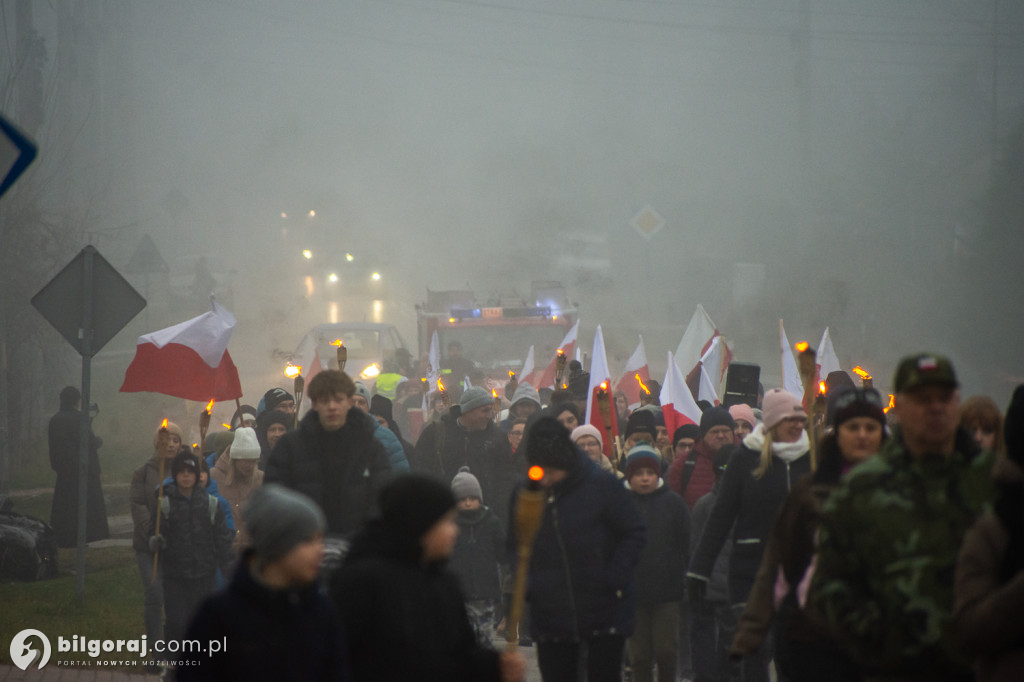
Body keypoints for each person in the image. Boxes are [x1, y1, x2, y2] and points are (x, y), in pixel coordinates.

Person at [811, 353, 996, 681]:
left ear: (956, 402)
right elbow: (831, 583)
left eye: (943, 398)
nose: (935, 408)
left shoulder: (991, 483)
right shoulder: (863, 486)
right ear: (900, 406)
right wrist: (880, 642)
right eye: (923, 399)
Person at [732, 386, 887, 682]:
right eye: (853, 427)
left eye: (871, 427)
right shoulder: (809, 492)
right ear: (837, 432)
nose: (862, 436)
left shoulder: (901, 489)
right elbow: (778, 569)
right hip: (816, 634)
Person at [329, 473, 526, 682]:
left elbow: (461, 654)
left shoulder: (443, 583)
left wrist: (495, 666)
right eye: (447, 522)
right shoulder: (361, 582)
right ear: (422, 524)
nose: (454, 531)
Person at [687, 389, 811, 682]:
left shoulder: (811, 458)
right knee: (756, 652)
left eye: (799, 419)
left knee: (790, 650)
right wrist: (699, 571)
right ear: (770, 423)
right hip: (751, 571)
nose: (796, 425)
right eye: (788, 419)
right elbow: (720, 516)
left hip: (798, 571)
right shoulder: (745, 459)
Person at [512, 416, 646, 682]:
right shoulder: (527, 492)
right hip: (551, 617)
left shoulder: (602, 485)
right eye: (541, 470)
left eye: (553, 472)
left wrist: (614, 577)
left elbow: (634, 532)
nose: (547, 478)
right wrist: (528, 585)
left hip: (604, 612)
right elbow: (515, 545)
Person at [179, 484, 351, 681]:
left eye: (320, 540)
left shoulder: (322, 613)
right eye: (308, 541)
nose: (321, 550)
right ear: (277, 544)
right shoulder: (219, 616)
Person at [264, 370, 392, 538]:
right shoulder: (290, 448)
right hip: (304, 546)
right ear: (315, 404)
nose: (332, 406)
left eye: (338, 400)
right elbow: (275, 500)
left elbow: (382, 501)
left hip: (356, 549)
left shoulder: (370, 449)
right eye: (325, 400)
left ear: (349, 402)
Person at [954, 385, 1024, 682]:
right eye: (972, 430)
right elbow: (973, 626)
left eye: (986, 430)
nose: (979, 438)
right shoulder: (994, 522)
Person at [149, 450, 234, 659]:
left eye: (190, 472)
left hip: (203, 574)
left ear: (197, 476)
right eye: (181, 472)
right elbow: (154, 532)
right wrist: (156, 540)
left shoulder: (210, 504)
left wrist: (230, 570)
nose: (186, 476)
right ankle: (172, 665)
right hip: (175, 575)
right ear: (175, 475)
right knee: (177, 623)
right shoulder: (165, 503)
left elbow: (222, 540)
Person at [623, 444, 691, 682]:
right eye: (639, 474)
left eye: (649, 473)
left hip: (667, 593)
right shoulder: (619, 503)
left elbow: (687, 543)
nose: (644, 479)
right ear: (629, 475)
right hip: (632, 594)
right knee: (639, 655)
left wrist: (687, 578)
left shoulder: (673, 503)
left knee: (666, 651)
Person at [413, 386, 521, 523]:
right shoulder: (436, 433)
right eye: (484, 411)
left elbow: (505, 477)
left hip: (484, 517)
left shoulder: (497, 438)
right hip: (442, 514)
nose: (489, 415)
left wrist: (498, 512)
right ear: (468, 410)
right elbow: (420, 469)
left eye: (490, 410)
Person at [129, 421, 184, 647]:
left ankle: (175, 645)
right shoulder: (143, 473)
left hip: (178, 546)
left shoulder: (187, 471)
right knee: (154, 595)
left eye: (175, 440)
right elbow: (138, 504)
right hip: (147, 546)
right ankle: (155, 647)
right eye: (166, 440)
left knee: (175, 597)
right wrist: (151, 532)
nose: (171, 445)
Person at [689, 447, 738, 682]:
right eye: (722, 472)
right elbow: (697, 548)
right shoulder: (704, 506)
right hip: (714, 591)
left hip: (742, 587)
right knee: (716, 647)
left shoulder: (750, 502)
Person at [450, 467, 507, 646]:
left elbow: (503, 553)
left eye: (472, 498)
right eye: (462, 499)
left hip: (485, 593)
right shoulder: (449, 525)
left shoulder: (491, 522)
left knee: (484, 640)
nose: (468, 503)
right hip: (458, 593)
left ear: (479, 499)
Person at [48, 386, 108, 548]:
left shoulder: (55, 420)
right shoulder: (79, 418)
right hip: (84, 472)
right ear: (76, 400)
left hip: (64, 473)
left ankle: (63, 538)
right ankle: (86, 537)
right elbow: (90, 441)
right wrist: (99, 440)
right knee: (85, 508)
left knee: (65, 507)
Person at [668, 407, 736, 509]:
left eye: (725, 430)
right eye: (714, 431)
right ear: (703, 435)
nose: (721, 435)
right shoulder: (684, 463)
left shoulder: (745, 460)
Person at [210, 426, 264, 548]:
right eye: (245, 461)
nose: (249, 466)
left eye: (253, 461)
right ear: (234, 459)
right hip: (222, 550)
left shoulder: (261, 479)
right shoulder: (213, 477)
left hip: (252, 552)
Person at [353, 381, 410, 472]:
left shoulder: (387, 437)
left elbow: (401, 472)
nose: (356, 406)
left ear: (368, 407)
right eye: (352, 402)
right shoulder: (336, 435)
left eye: (361, 402)